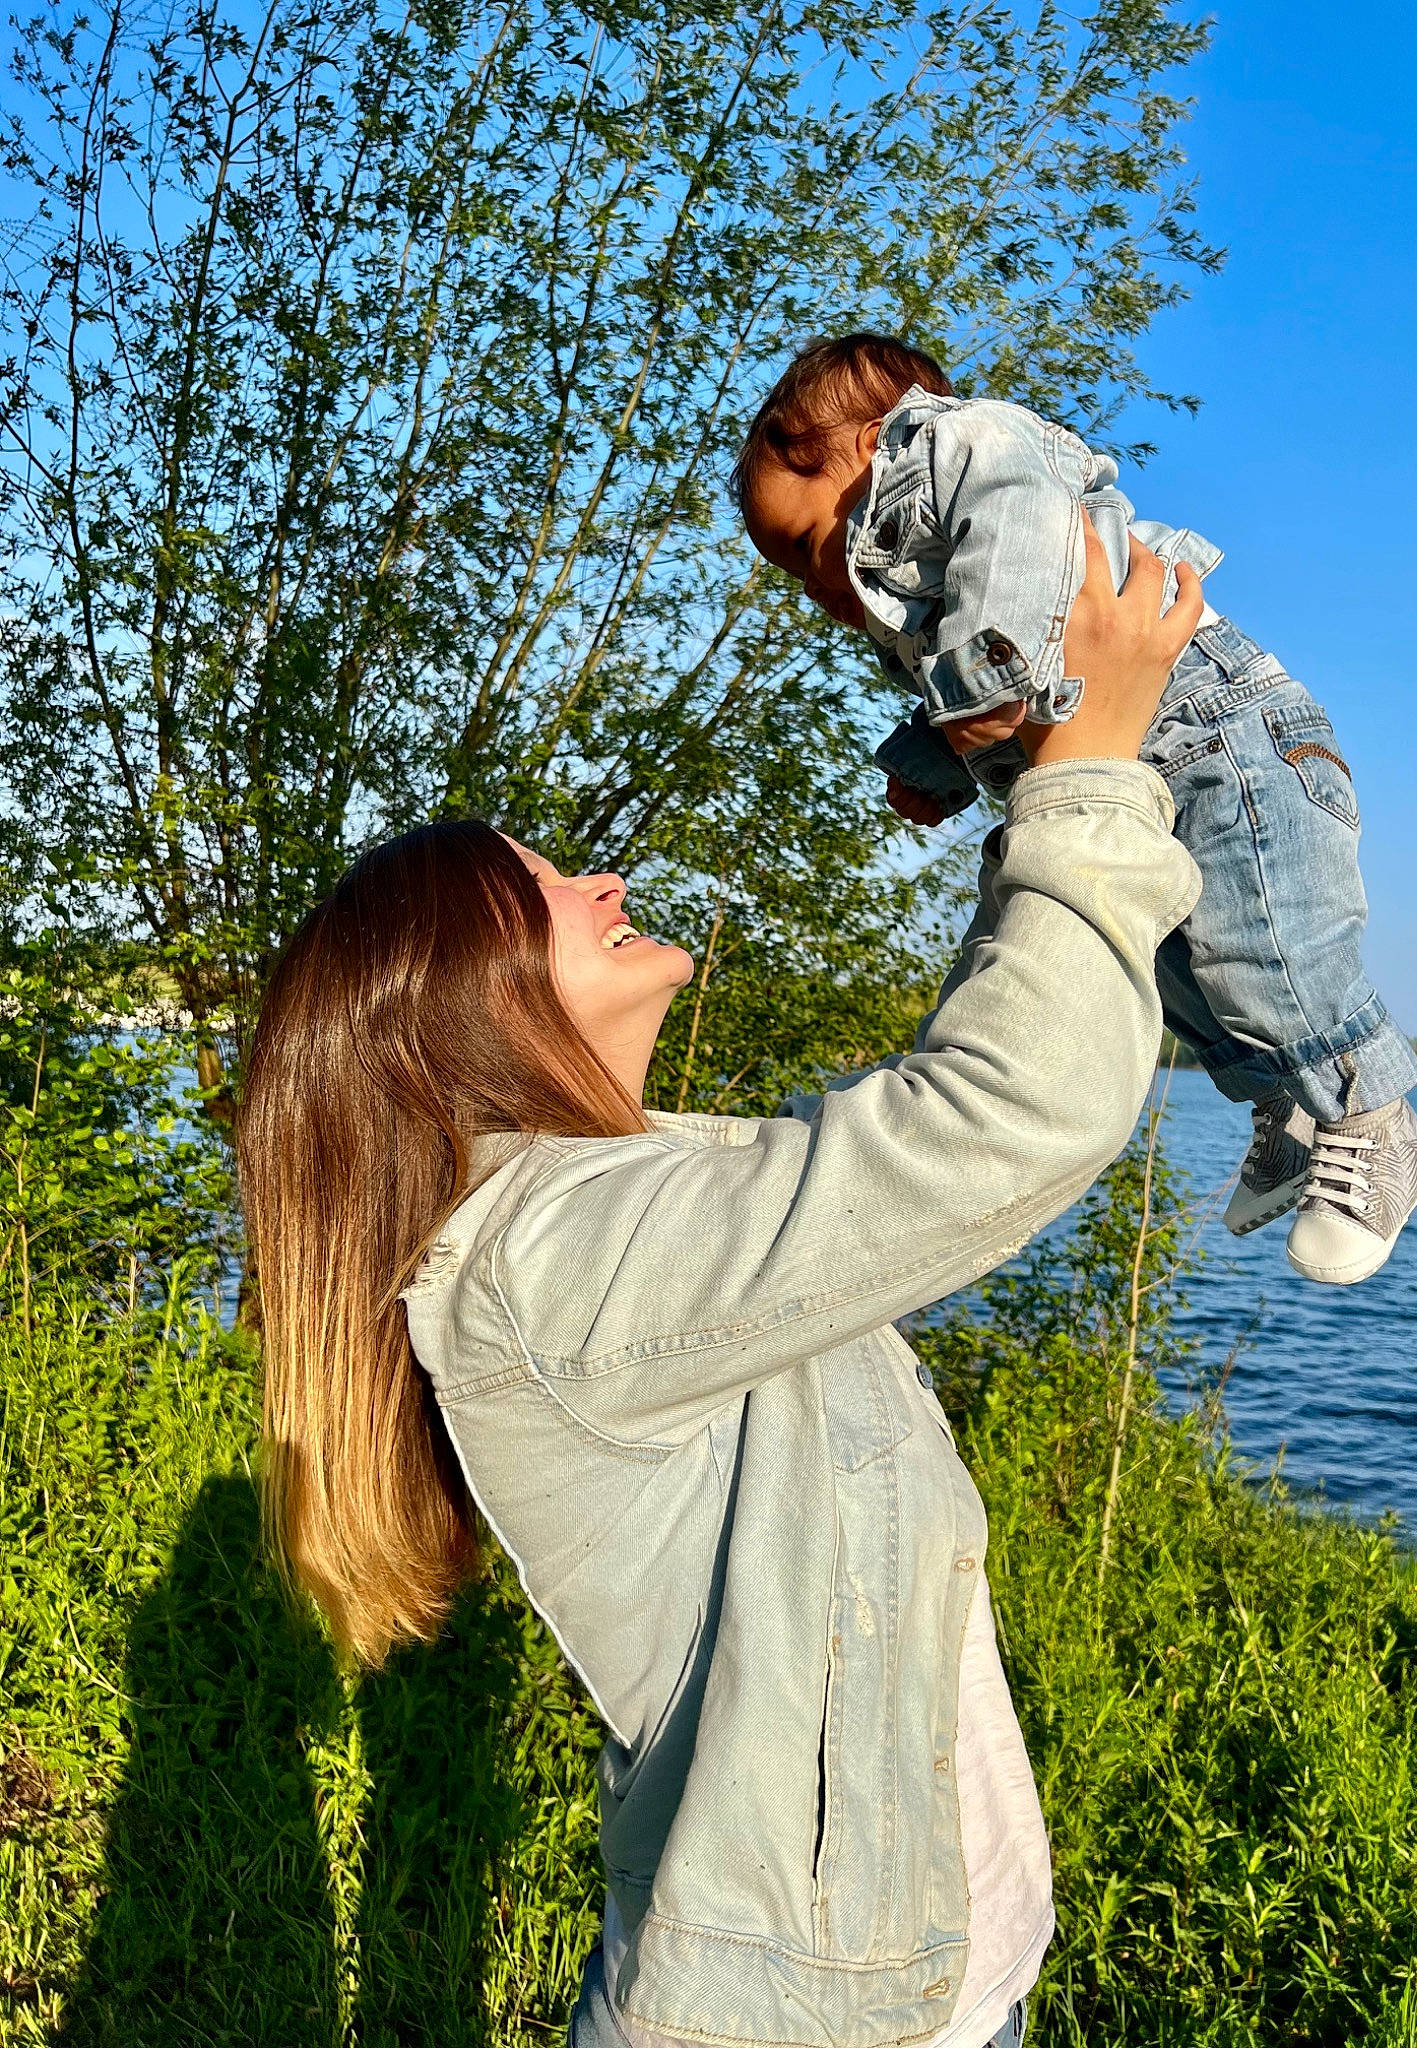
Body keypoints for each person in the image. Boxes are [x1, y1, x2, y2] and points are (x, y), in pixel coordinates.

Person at [236, 529, 1201, 2048]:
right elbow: (1005, 1115)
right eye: (544, 889)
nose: (602, 879)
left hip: (921, 1983)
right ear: (461, 1003)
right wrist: (1091, 775)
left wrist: (1032, 785)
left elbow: (926, 1125)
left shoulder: (634, 1203)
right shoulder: (551, 1267)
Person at [735, 333, 1417, 1288]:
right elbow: (987, 694)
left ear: (869, 442)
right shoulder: (924, 587)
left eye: (804, 545)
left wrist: (984, 672)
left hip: (1222, 737)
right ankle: (1290, 1110)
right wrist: (933, 764)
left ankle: (1376, 1121)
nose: (814, 586)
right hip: (1131, 773)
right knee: (1176, 968)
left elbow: (1022, 551)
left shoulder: (966, 447)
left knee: (1266, 950)